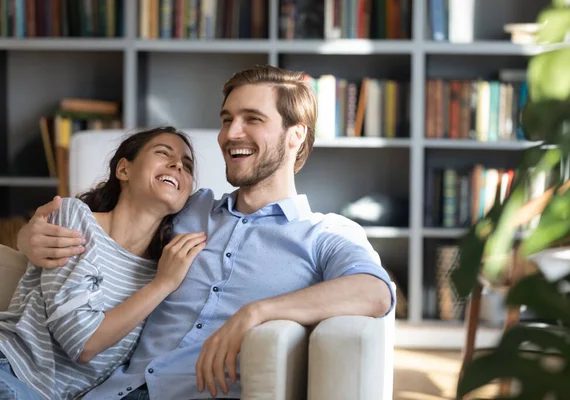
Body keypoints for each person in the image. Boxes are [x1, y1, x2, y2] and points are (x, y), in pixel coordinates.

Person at [16, 65, 396, 400]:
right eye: (226, 118)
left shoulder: (324, 234)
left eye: (252, 119)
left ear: (296, 135)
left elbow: (375, 292)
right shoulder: (187, 207)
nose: (231, 133)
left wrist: (255, 313)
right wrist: (28, 239)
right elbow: (107, 227)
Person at [1, 127, 205, 400]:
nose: (177, 165)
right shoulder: (76, 218)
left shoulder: (168, 265)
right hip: (11, 370)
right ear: (123, 170)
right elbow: (81, 342)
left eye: (187, 166)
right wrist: (162, 285)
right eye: (162, 153)